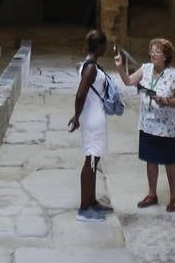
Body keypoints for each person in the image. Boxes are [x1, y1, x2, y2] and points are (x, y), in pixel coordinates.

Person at [115, 37, 175, 212]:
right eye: (152, 51)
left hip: (167, 127)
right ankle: (152, 194)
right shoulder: (146, 69)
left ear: (166, 56)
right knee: (150, 159)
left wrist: (166, 101)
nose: (153, 54)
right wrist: (120, 68)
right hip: (147, 124)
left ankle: (174, 197)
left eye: (157, 52)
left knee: (169, 161)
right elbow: (128, 81)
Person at [68, 29, 114, 223]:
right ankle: (84, 208)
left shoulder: (89, 64)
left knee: (94, 161)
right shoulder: (90, 68)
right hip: (92, 120)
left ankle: (92, 200)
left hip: (94, 117)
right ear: (101, 47)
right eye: (106, 45)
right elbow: (80, 94)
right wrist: (76, 116)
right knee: (91, 162)